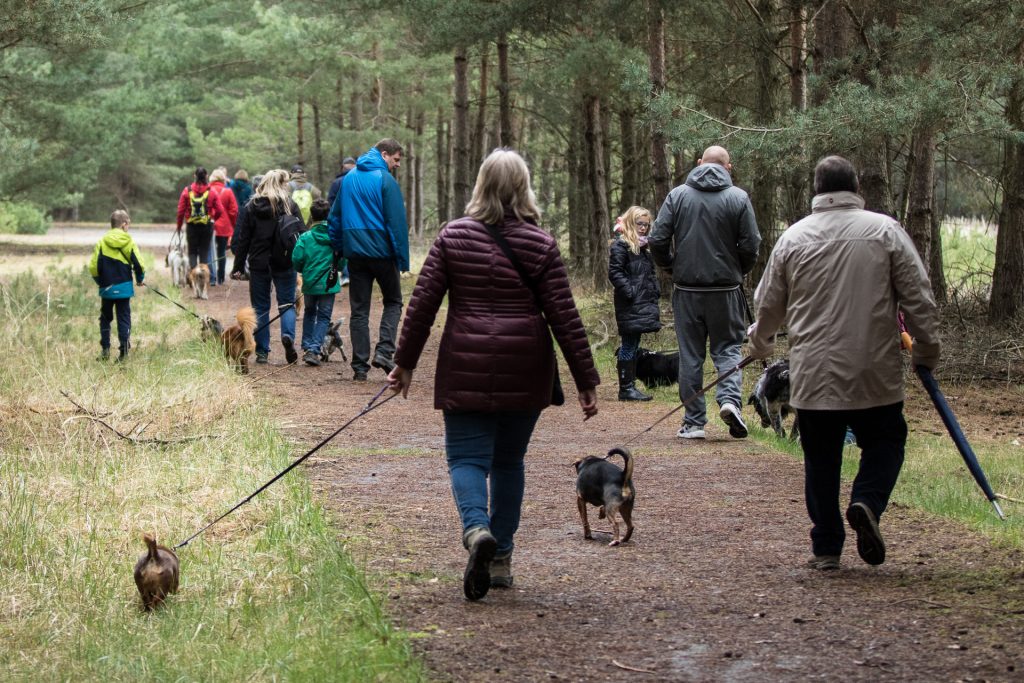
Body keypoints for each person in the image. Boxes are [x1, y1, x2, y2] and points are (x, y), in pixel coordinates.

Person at [388, 149, 600, 601]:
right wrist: (586, 381)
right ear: (524, 188)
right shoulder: (541, 244)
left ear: (481, 186)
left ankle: (475, 530)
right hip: (526, 364)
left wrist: (403, 363)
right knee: (508, 463)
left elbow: (422, 306)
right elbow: (564, 316)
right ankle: (500, 556)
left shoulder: (453, 236)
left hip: (466, 358)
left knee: (466, 459)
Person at [747, 155, 940, 570]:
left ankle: (827, 547)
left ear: (817, 192)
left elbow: (768, 305)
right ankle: (867, 500)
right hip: (875, 370)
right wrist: (926, 350)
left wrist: (760, 344)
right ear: (856, 189)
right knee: (885, 442)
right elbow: (919, 297)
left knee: (821, 457)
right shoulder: (886, 231)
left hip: (814, 372)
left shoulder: (793, 238)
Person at [649, 145, 761, 440]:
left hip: (687, 290)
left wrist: (670, 267)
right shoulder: (738, 198)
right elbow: (751, 245)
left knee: (691, 355)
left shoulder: (677, 196)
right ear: (729, 167)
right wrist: (739, 271)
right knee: (728, 349)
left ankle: (694, 422)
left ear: (700, 163)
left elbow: (658, 239)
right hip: (726, 290)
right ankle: (728, 401)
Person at [328, 138, 409, 381]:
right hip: (382, 253)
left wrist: (340, 248)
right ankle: (384, 351)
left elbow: (335, 218)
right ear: (385, 154)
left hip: (356, 254)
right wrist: (402, 260)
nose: (397, 165)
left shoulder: (349, 178)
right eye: (395, 160)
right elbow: (396, 223)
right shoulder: (385, 180)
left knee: (359, 310)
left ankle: (359, 367)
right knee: (393, 301)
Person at [230, 169, 303, 365]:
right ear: (282, 184)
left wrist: (238, 266)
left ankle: (262, 352)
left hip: (259, 262)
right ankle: (287, 337)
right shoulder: (290, 205)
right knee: (287, 303)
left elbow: (243, 239)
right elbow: (301, 234)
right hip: (286, 261)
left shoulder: (251, 206)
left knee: (260, 307)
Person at [608, 206, 661, 401]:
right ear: (631, 222)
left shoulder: (642, 248)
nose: (644, 228)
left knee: (633, 342)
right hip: (629, 304)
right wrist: (630, 292)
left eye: (647, 225)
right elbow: (615, 273)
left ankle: (628, 386)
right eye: (640, 224)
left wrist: (655, 290)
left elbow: (649, 275)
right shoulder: (620, 246)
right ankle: (626, 389)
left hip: (640, 303)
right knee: (629, 344)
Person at [89, 209, 145, 361]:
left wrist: (100, 282)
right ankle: (124, 352)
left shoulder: (102, 242)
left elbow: (93, 267)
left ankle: (105, 350)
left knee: (105, 318)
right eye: (128, 225)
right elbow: (139, 264)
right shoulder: (129, 242)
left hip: (106, 287)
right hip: (124, 287)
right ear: (124, 224)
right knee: (124, 318)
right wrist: (140, 278)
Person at [291, 198, 342, 366]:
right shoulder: (336, 238)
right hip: (329, 284)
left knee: (310, 313)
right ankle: (313, 350)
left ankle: (307, 346)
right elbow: (342, 262)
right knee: (323, 316)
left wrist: (304, 270)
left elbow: (296, 260)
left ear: (312, 216)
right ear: (329, 216)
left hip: (310, 283)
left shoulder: (305, 237)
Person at [176, 166, 225, 270]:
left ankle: (194, 277)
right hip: (206, 226)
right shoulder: (212, 191)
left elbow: (180, 211)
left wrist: (179, 226)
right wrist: (212, 219)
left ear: (194, 176)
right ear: (206, 176)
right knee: (204, 252)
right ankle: (202, 278)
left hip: (191, 226)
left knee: (192, 252)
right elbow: (220, 210)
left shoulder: (187, 190)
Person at [326, 156, 357, 287]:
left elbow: (330, 203)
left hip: (340, 219)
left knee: (340, 246)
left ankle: (343, 274)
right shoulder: (358, 180)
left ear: (343, 167)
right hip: (355, 220)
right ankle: (348, 274)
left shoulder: (337, 182)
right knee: (353, 246)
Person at [208, 167, 238, 286]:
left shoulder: (208, 190)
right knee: (221, 252)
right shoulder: (228, 191)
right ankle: (220, 278)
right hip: (225, 227)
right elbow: (234, 211)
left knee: (210, 252)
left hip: (210, 225)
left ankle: (211, 277)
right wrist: (233, 225)